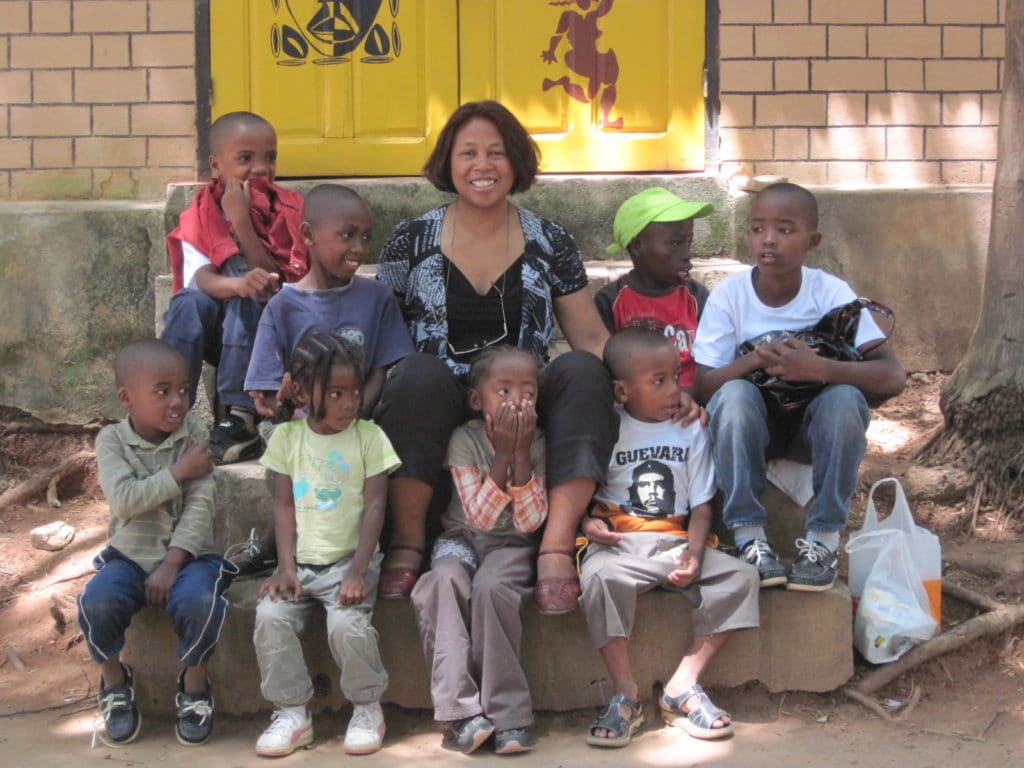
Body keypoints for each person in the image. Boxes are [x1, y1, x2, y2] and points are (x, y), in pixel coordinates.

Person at [373, 100, 621, 614]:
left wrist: (646, 392)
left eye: (496, 153)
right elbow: (384, 339)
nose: (482, 166)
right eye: (468, 153)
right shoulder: (411, 239)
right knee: (416, 374)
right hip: (441, 401)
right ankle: (408, 542)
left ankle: (554, 545)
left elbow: (591, 339)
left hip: (525, 397)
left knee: (581, 370)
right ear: (448, 162)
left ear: (517, 163)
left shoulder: (550, 239)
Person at [693, 182, 906, 591]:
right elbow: (704, 388)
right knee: (734, 397)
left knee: (845, 398)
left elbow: (892, 377)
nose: (768, 240)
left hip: (813, 429)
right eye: (758, 229)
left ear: (814, 240)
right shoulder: (730, 296)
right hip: (756, 431)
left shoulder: (830, 292)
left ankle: (822, 542)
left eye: (785, 230)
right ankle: (749, 539)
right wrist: (756, 357)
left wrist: (818, 368)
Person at [580, 328, 759, 748]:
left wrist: (695, 552)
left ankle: (683, 685)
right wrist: (588, 526)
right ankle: (625, 694)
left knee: (741, 578)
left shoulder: (690, 429)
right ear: (621, 391)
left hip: (678, 540)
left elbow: (701, 506)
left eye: (676, 377)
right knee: (599, 579)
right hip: (621, 542)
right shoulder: (608, 428)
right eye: (657, 380)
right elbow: (583, 496)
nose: (673, 390)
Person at [233, 184, 413, 577]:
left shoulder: (376, 297)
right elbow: (265, 394)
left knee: (361, 452)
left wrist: (354, 417)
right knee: (305, 453)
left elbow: (382, 368)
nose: (359, 248)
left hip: (358, 416)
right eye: (346, 235)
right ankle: (282, 548)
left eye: (366, 237)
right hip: (299, 422)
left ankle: (362, 549)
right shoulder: (284, 306)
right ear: (309, 236)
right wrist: (302, 417)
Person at [77, 339, 234, 747]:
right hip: (129, 556)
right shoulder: (111, 441)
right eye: (162, 391)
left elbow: (201, 507)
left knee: (201, 600)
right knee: (97, 600)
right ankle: (114, 680)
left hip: (191, 557)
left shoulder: (195, 434)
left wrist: (172, 565)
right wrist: (178, 473)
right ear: (127, 398)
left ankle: (195, 684)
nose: (177, 402)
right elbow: (125, 499)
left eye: (184, 390)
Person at [252, 332, 400, 758]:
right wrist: (285, 567)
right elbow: (282, 506)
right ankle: (292, 712)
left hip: (349, 564)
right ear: (300, 391)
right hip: (300, 563)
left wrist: (357, 569)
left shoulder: (369, 437)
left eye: (354, 392)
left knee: (346, 625)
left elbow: (375, 507)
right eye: (335, 393)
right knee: (269, 617)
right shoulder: (286, 440)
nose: (349, 403)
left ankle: (367, 706)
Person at [411, 347, 546, 755]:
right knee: (442, 582)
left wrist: (520, 454)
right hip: (461, 537)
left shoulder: (539, 443)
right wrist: (502, 453)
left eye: (527, 393)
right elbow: (479, 517)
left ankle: (508, 716)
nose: (516, 402)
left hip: (511, 544)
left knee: (492, 589)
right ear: (476, 400)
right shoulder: (464, 440)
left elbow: (529, 522)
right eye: (503, 391)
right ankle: (460, 712)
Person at [161, 111, 308, 465]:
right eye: (245, 159)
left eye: (269, 157)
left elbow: (280, 283)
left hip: (275, 331)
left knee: (249, 285)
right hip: (221, 333)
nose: (260, 168)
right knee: (188, 304)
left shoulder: (289, 208)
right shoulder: (201, 211)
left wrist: (242, 222)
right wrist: (237, 284)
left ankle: (240, 414)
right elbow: (201, 280)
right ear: (216, 165)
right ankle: (165, 404)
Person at [597, 187, 714, 390]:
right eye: (675, 243)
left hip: (694, 406)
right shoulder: (610, 301)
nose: (687, 253)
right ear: (637, 247)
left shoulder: (697, 296)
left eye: (689, 242)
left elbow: (712, 362)